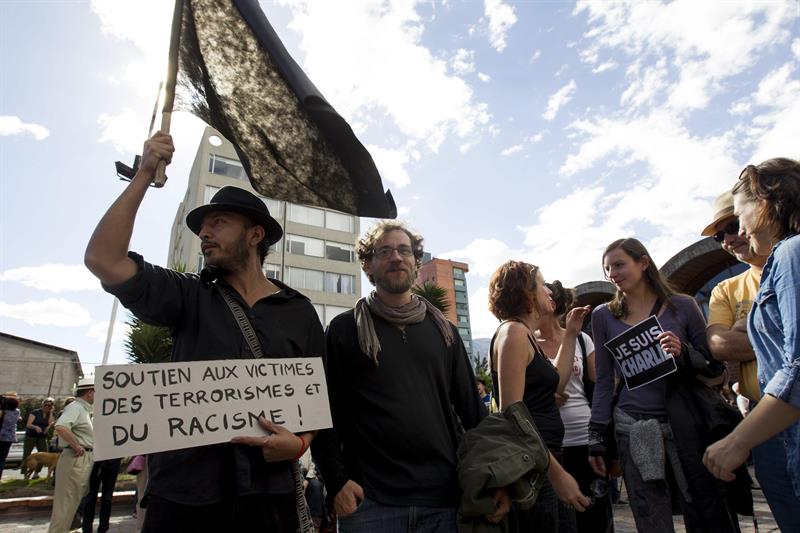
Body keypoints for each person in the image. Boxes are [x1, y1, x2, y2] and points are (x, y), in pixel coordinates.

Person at [84, 131, 325, 532]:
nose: (204, 232)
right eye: (202, 225)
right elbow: (104, 259)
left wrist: (301, 444)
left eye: (219, 222)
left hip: (270, 495)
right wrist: (144, 173)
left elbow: (318, 393)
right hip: (184, 495)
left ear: (255, 234)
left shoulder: (298, 310)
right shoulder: (186, 294)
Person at [311, 221, 500, 532]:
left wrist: (492, 479)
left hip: (445, 498)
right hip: (369, 502)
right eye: (384, 251)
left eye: (404, 251)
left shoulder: (445, 331)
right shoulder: (344, 329)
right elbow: (323, 412)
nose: (396, 257)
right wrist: (336, 481)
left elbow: (472, 412)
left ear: (415, 263)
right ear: (368, 265)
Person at [588, 238, 748, 532]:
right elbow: (603, 381)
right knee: (650, 516)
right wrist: (596, 435)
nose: (612, 274)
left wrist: (684, 353)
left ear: (644, 263)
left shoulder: (683, 306)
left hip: (684, 425)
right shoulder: (603, 316)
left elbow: (714, 367)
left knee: (702, 507)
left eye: (619, 264)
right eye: (607, 269)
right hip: (631, 426)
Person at [704, 158, 800, 531]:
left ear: (762, 206)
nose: (736, 233)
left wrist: (736, 442)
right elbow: (717, 343)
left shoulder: (790, 254)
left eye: (737, 218)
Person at [488, 261, 591, 532]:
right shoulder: (514, 333)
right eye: (542, 285)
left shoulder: (524, 335)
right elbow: (514, 415)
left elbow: (555, 384)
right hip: (536, 469)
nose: (549, 291)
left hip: (545, 461)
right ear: (527, 294)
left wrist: (570, 334)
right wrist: (558, 476)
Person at [538, 281, 614, 533]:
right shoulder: (528, 343)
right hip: (551, 446)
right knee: (562, 519)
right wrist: (544, 395)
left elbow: (601, 384)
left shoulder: (582, 339)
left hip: (585, 437)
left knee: (596, 516)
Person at [701, 191, 768, 407]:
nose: (728, 240)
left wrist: (743, 330)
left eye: (732, 227)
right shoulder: (724, 289)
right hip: (762, 410)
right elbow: (719, 345)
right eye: (719, 237)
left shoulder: (792, 262)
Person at [49, 377, 96, 533]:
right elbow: (61, 427)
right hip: (76, 459)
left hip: (83, 459)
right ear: (90, 392)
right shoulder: (76, 407)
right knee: (66, 504)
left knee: (72, 501)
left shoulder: (85, 409)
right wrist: (76, 445)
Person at [80, 458, 122, 533]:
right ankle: (87, 528)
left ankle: (103, 528)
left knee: (107, 499)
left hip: (112, 461)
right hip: (98, 461)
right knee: (91, 498)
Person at [21, 397, 56, 479]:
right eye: (46, 404)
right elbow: (28, 424)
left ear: (52, 406)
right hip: (31, 436)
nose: (47, 406)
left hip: (42, 437)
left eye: (50, 405)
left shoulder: (50, 414)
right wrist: (35, 427)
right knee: (27, 453)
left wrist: (51, 413)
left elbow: (50, 424)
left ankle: (36, 473)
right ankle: (25, 473)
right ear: (42, 404)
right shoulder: (35, 412)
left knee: (44, 455)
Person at [0, 392, 21, 480]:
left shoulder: (3, 412)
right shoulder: (17, 412)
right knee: (2, 459)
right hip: (9, 438)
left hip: (1, 435)